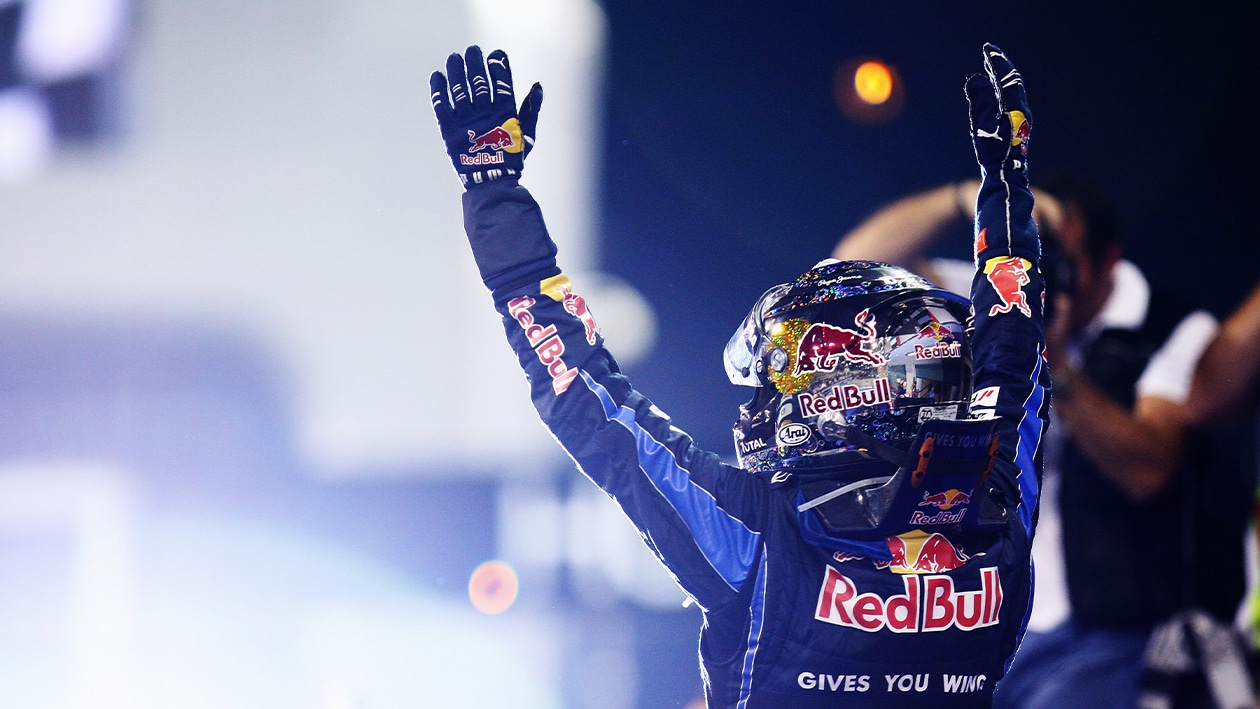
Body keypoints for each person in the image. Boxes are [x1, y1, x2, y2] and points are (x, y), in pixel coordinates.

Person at [430, 43, 1048, 708]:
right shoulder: (999, 501)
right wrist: (1006, 177)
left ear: (852, 380)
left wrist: (494, 189)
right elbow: (1012, 329)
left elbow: (585, 393)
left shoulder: (758, 534)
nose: (760, 408)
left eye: (781, 378)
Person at [834, 153, 1253, 707]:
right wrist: (969, 199)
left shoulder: (1169, 326)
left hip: (1111, 633)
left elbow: (1150, 469)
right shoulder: (998, 297)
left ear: (1108, 262)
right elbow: (853, 268)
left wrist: (1051, 363)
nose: (1041, 275)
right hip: (982, 614)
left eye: (1061, 259)